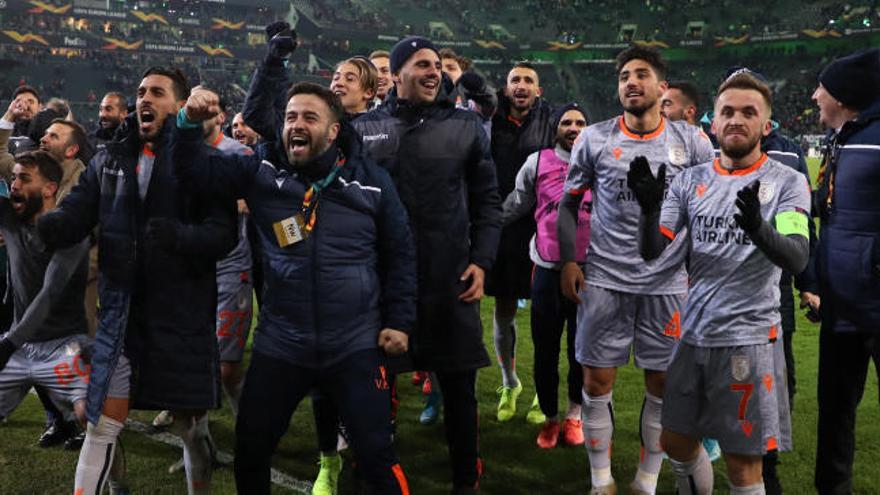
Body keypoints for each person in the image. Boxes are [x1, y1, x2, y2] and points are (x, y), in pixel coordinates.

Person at [172, 81, 415, 495]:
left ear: (334, 131)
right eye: (289, 117)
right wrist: (186, 125)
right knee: (251, 448)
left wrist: (400, 321)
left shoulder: (371, 182)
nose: (295, 125)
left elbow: (401, 252)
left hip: (354, 342)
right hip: (282, 341)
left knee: (375, 455)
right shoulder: (262, 171)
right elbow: (195, 174)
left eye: (308, 117)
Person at [37, 66, 237, 495]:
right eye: (141, 91)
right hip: (121, 314)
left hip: (180, 316)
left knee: (190, 428)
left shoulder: (204, 163)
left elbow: (224, 233)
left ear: (181, 106)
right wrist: (52, 225)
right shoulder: (111, 158)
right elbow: (79, 212)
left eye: (157, 93)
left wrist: (180, 236)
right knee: (102, 422)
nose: (144, 99)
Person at [631, 70, 810, 495]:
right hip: (693, 333)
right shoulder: (692, 182)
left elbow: (798, 256)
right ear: (713, 122)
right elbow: (654, 249)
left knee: (743, 464)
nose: (736, 119)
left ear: (766, 126)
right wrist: (648, 210)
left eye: (749, 112)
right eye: (728, 111)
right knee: (675, 441)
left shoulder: (787, 183)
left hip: (747, 339)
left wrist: (758, 229)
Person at [558, 45, 715, 495]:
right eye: (624, 75)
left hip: (668, 280)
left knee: (663, 382)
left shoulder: (692, 142)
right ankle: (600, 480)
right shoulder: (595, 138)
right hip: (605, 277)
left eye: (641, 74)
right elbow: (569, 205)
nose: (631, 81)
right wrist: (571, 259)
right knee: (596, 378)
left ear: (661, 87)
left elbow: (707, 207)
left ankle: (646, 481)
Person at [353, 36, 502, 493]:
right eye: (421, 64)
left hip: (449, 279)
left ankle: (465, 479)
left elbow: (488, 202)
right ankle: (375, 473)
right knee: (373, 391)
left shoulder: (466, 126)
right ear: (395, 75)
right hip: (383, 284)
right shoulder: (362, 130)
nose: (433, 71)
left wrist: (481, 261)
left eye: (437, 64)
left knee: (459, 391)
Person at [811, 48, 880, 495]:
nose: (816, 95)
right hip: (840, 308)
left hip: (876, 302)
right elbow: (830, 209)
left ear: (844, 96)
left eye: (824, 87)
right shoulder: (846, 136)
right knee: (834, 410)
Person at [502, 102, 588, 448]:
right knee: (545, 349)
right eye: (567, 122)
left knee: (582, 350)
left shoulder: (602, 161)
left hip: (590, 270)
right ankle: (551, 418)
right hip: (548, 269)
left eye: (581, 122)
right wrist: (485, 225)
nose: (574, 127)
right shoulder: (537, 162)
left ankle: (574, 416)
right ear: (555, 128)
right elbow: (517, 203)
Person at [0, 150, 90, 444]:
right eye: (13, 177)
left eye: (24, 179)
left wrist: (8, 343)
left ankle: (117, 487)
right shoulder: (10, 219)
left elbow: (49, 294)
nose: (14, 185)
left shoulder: (70, 233)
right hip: (19, 344)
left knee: (91, 417)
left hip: (64, 345)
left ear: (50, 188)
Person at [488, 61, 555, 423]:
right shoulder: (492, 119)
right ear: (506, 87)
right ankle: (509, 382)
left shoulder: (551, 121)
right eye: (515, 80)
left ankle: (541, 391)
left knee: (544, 315)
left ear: (538, 90)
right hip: (501, 229)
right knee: (503, 309)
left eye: (529, 80)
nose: (522, 86)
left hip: (538, 229)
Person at [7, 85, 42, 154]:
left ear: (40, 107)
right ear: (12, 106)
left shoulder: (47, 133)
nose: (25, 106)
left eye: (31, 102)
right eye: (19, 101)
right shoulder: (4, 133)